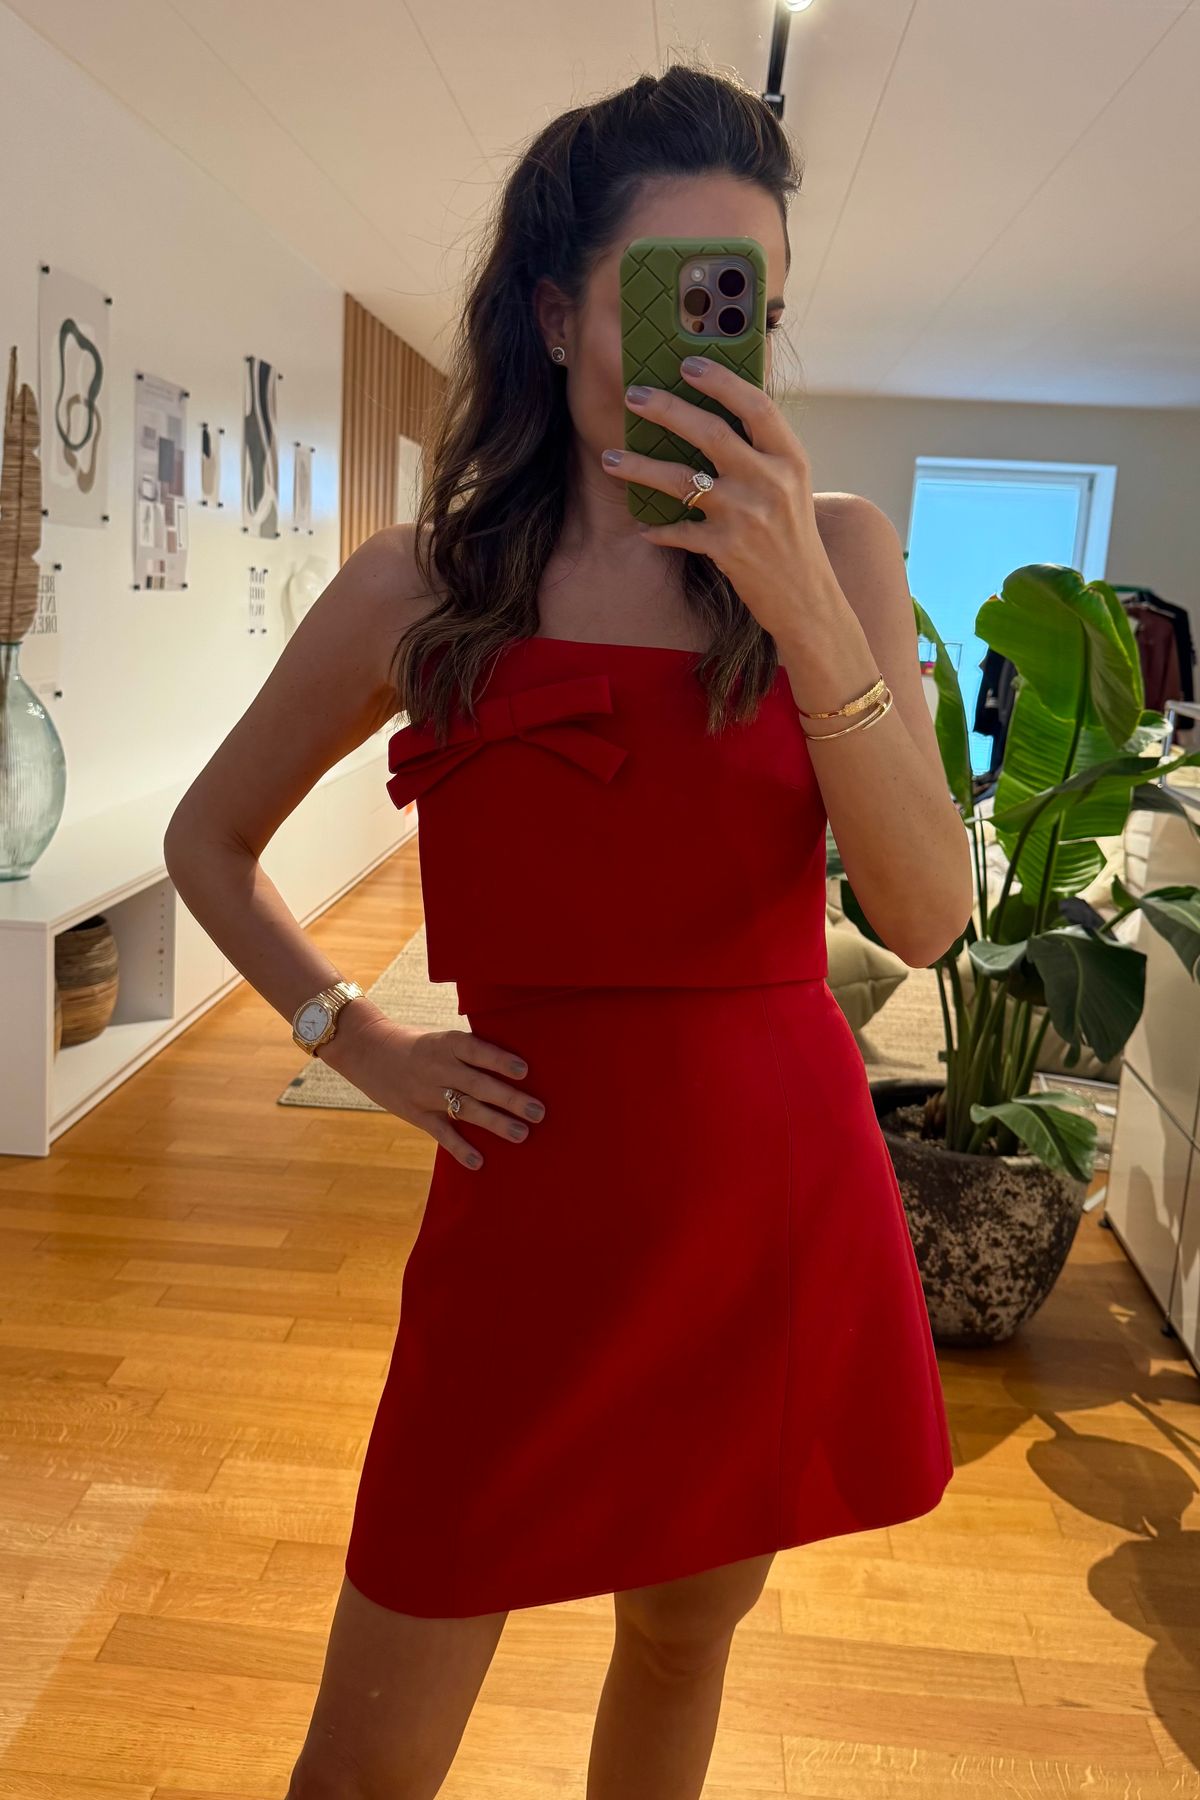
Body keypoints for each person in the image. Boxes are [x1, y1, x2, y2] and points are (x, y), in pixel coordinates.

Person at [164, 61, 973, 1800]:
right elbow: (208, 841)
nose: (718, 342)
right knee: (364, 1765)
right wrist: (351, 1037)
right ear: (554, 314)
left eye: (750, 302)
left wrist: (806, 612)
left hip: (767, 1209)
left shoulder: (840, 554)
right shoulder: (422, 586)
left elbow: (925, 917)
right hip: (526, 1217)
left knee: (681, 1646)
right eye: (678, 290)